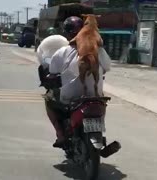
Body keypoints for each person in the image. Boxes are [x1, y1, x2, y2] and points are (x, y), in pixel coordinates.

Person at [39, 16, 111, 148]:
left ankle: (61, 136)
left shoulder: (62, 51)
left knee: (48, 100)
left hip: (71, 96)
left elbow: (53, 71)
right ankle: (100, 134)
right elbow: (107, 67)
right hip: (94, 95)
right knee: (101, 100)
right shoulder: (99, 50)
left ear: (67, 33)